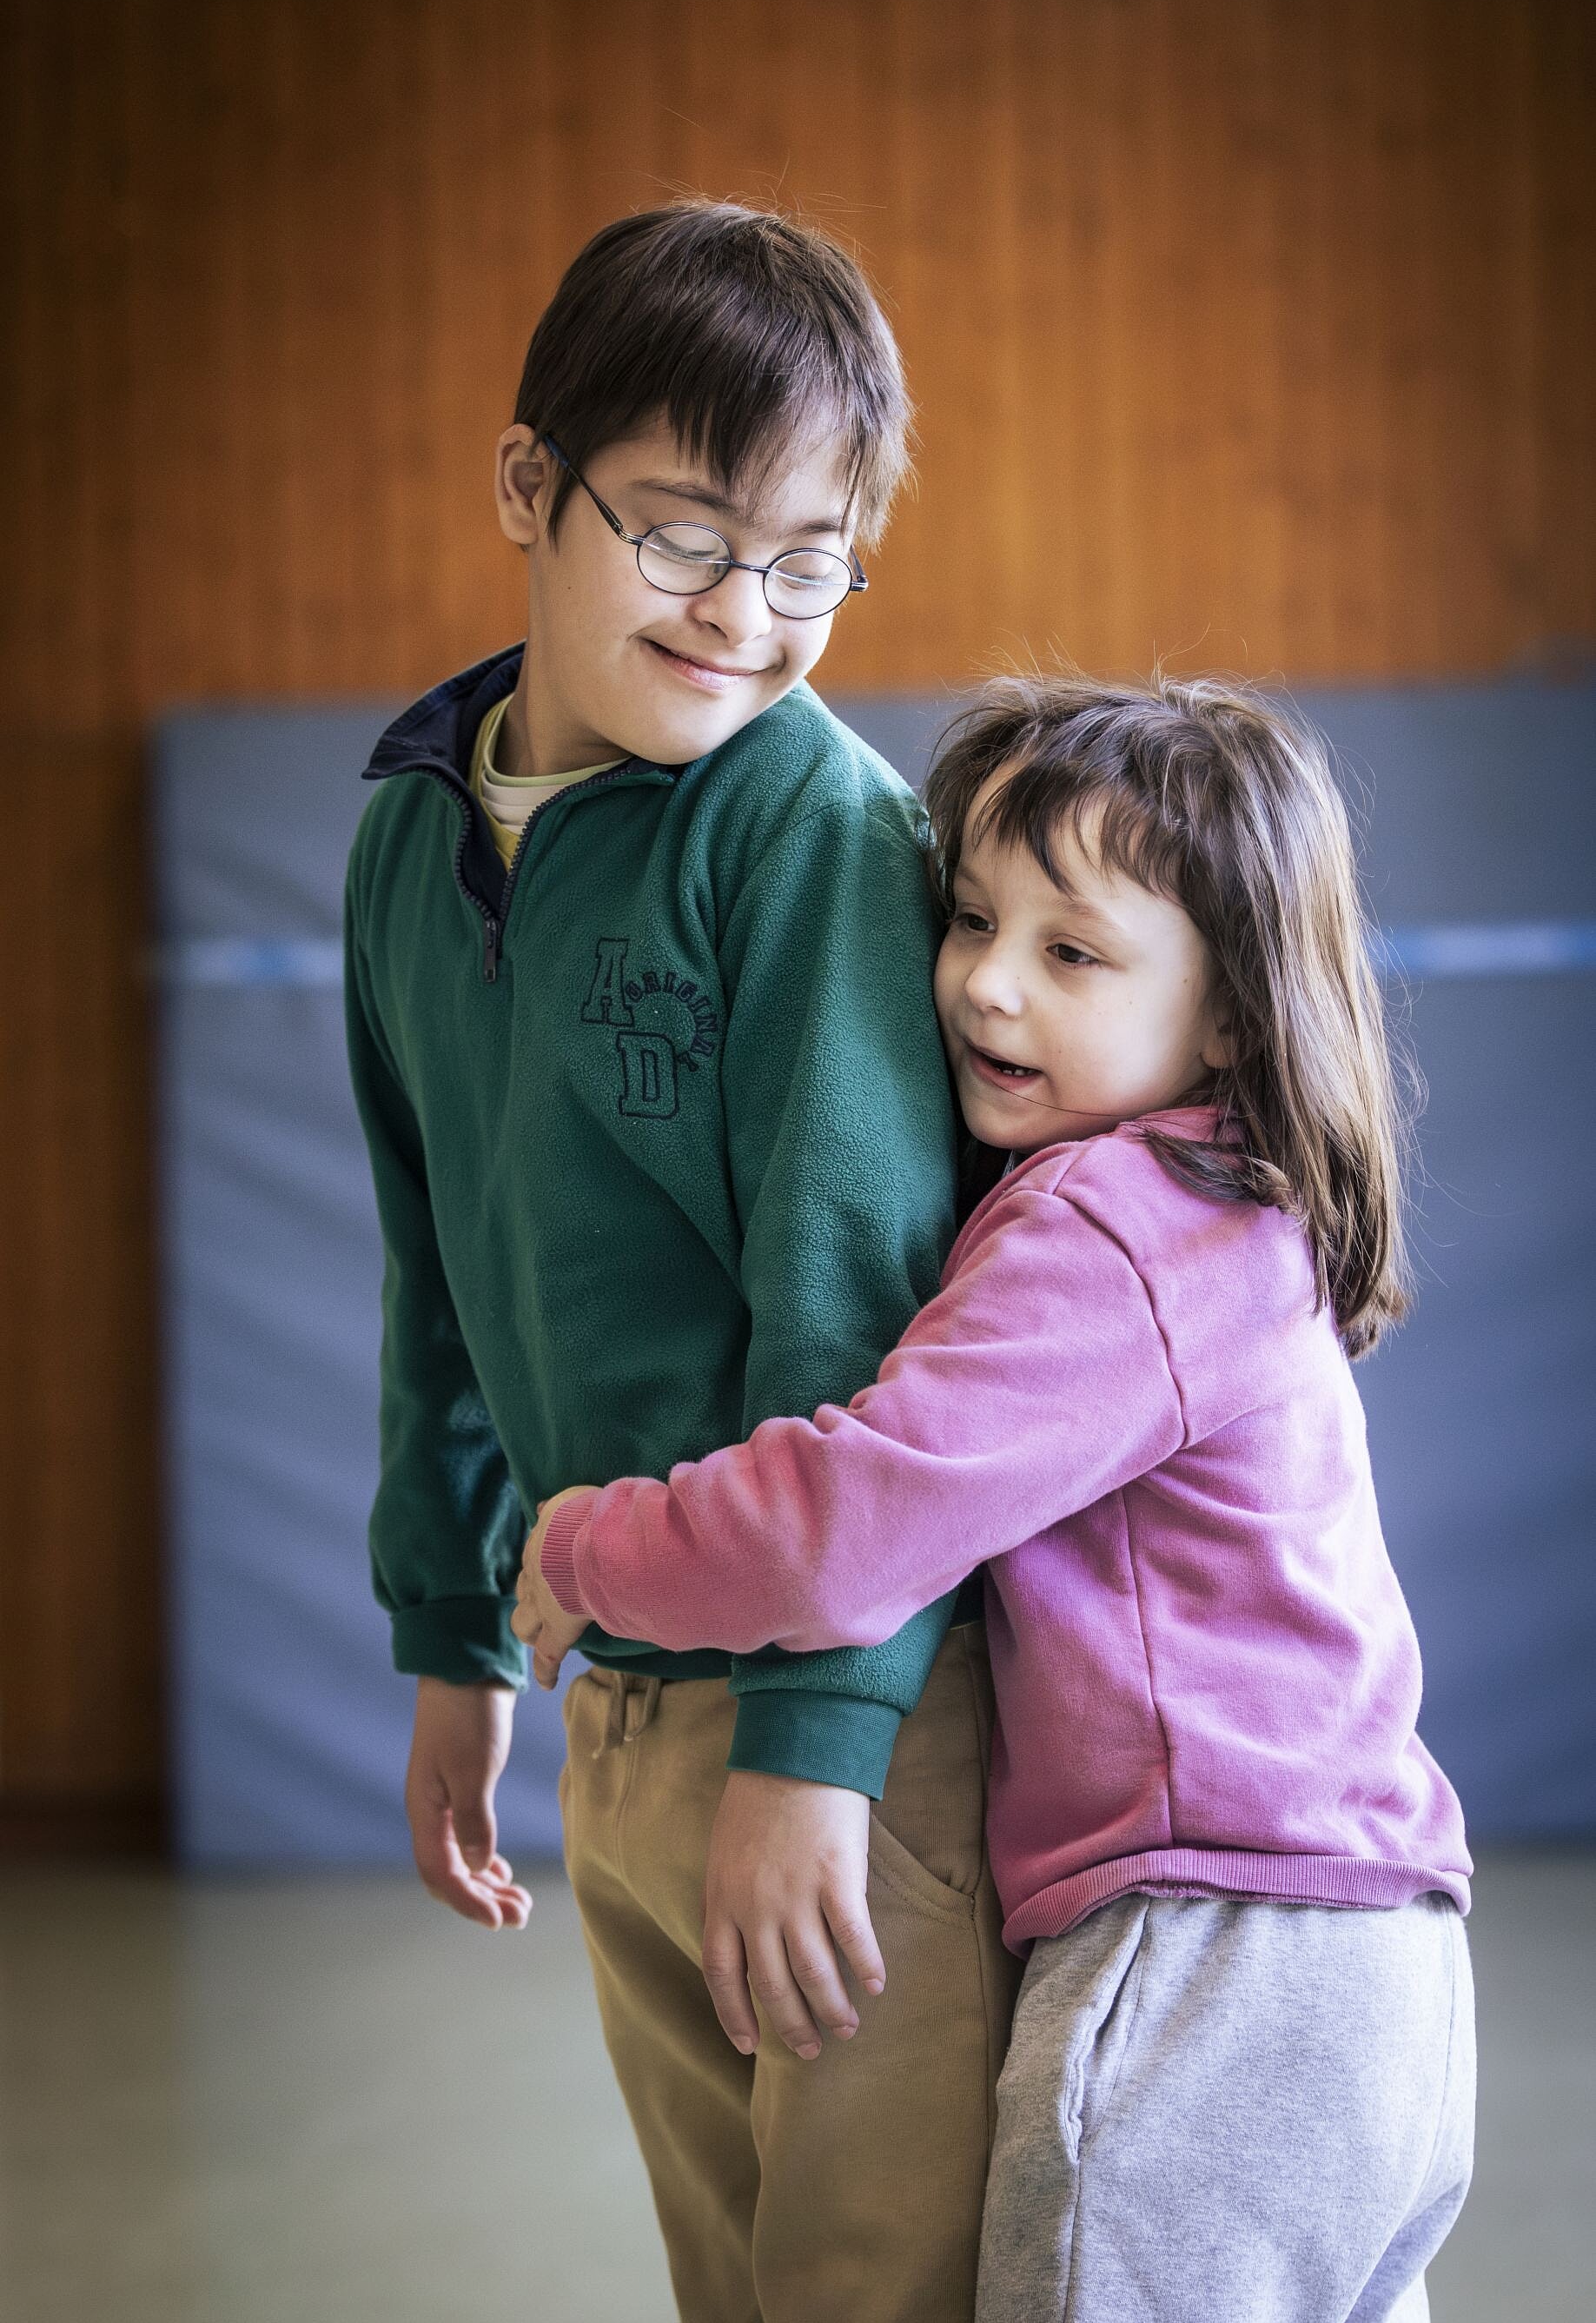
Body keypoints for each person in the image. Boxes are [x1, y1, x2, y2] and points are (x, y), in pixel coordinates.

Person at [517, 674, 1477, 2323]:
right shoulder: (1228, 1214)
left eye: (1072, 952)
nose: (982, 987)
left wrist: (591, 1550)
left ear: (1232, 1009)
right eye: (969, 920)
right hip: (1368, 1957)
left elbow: (847, 1523)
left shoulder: (1115, 1226)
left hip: (1206, 1954)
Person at [342, 199, 1018, 2323]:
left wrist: (812, 1751)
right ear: (528, 486)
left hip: (850, 1718)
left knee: (864, 2280)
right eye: (686, 534)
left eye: (810, 559)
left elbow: (861, 1315)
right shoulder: (402, 831)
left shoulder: (804, 833)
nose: (747, 611)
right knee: (723, 2277)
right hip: (605, 1680)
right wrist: (450, 1624)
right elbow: (432, 1262)